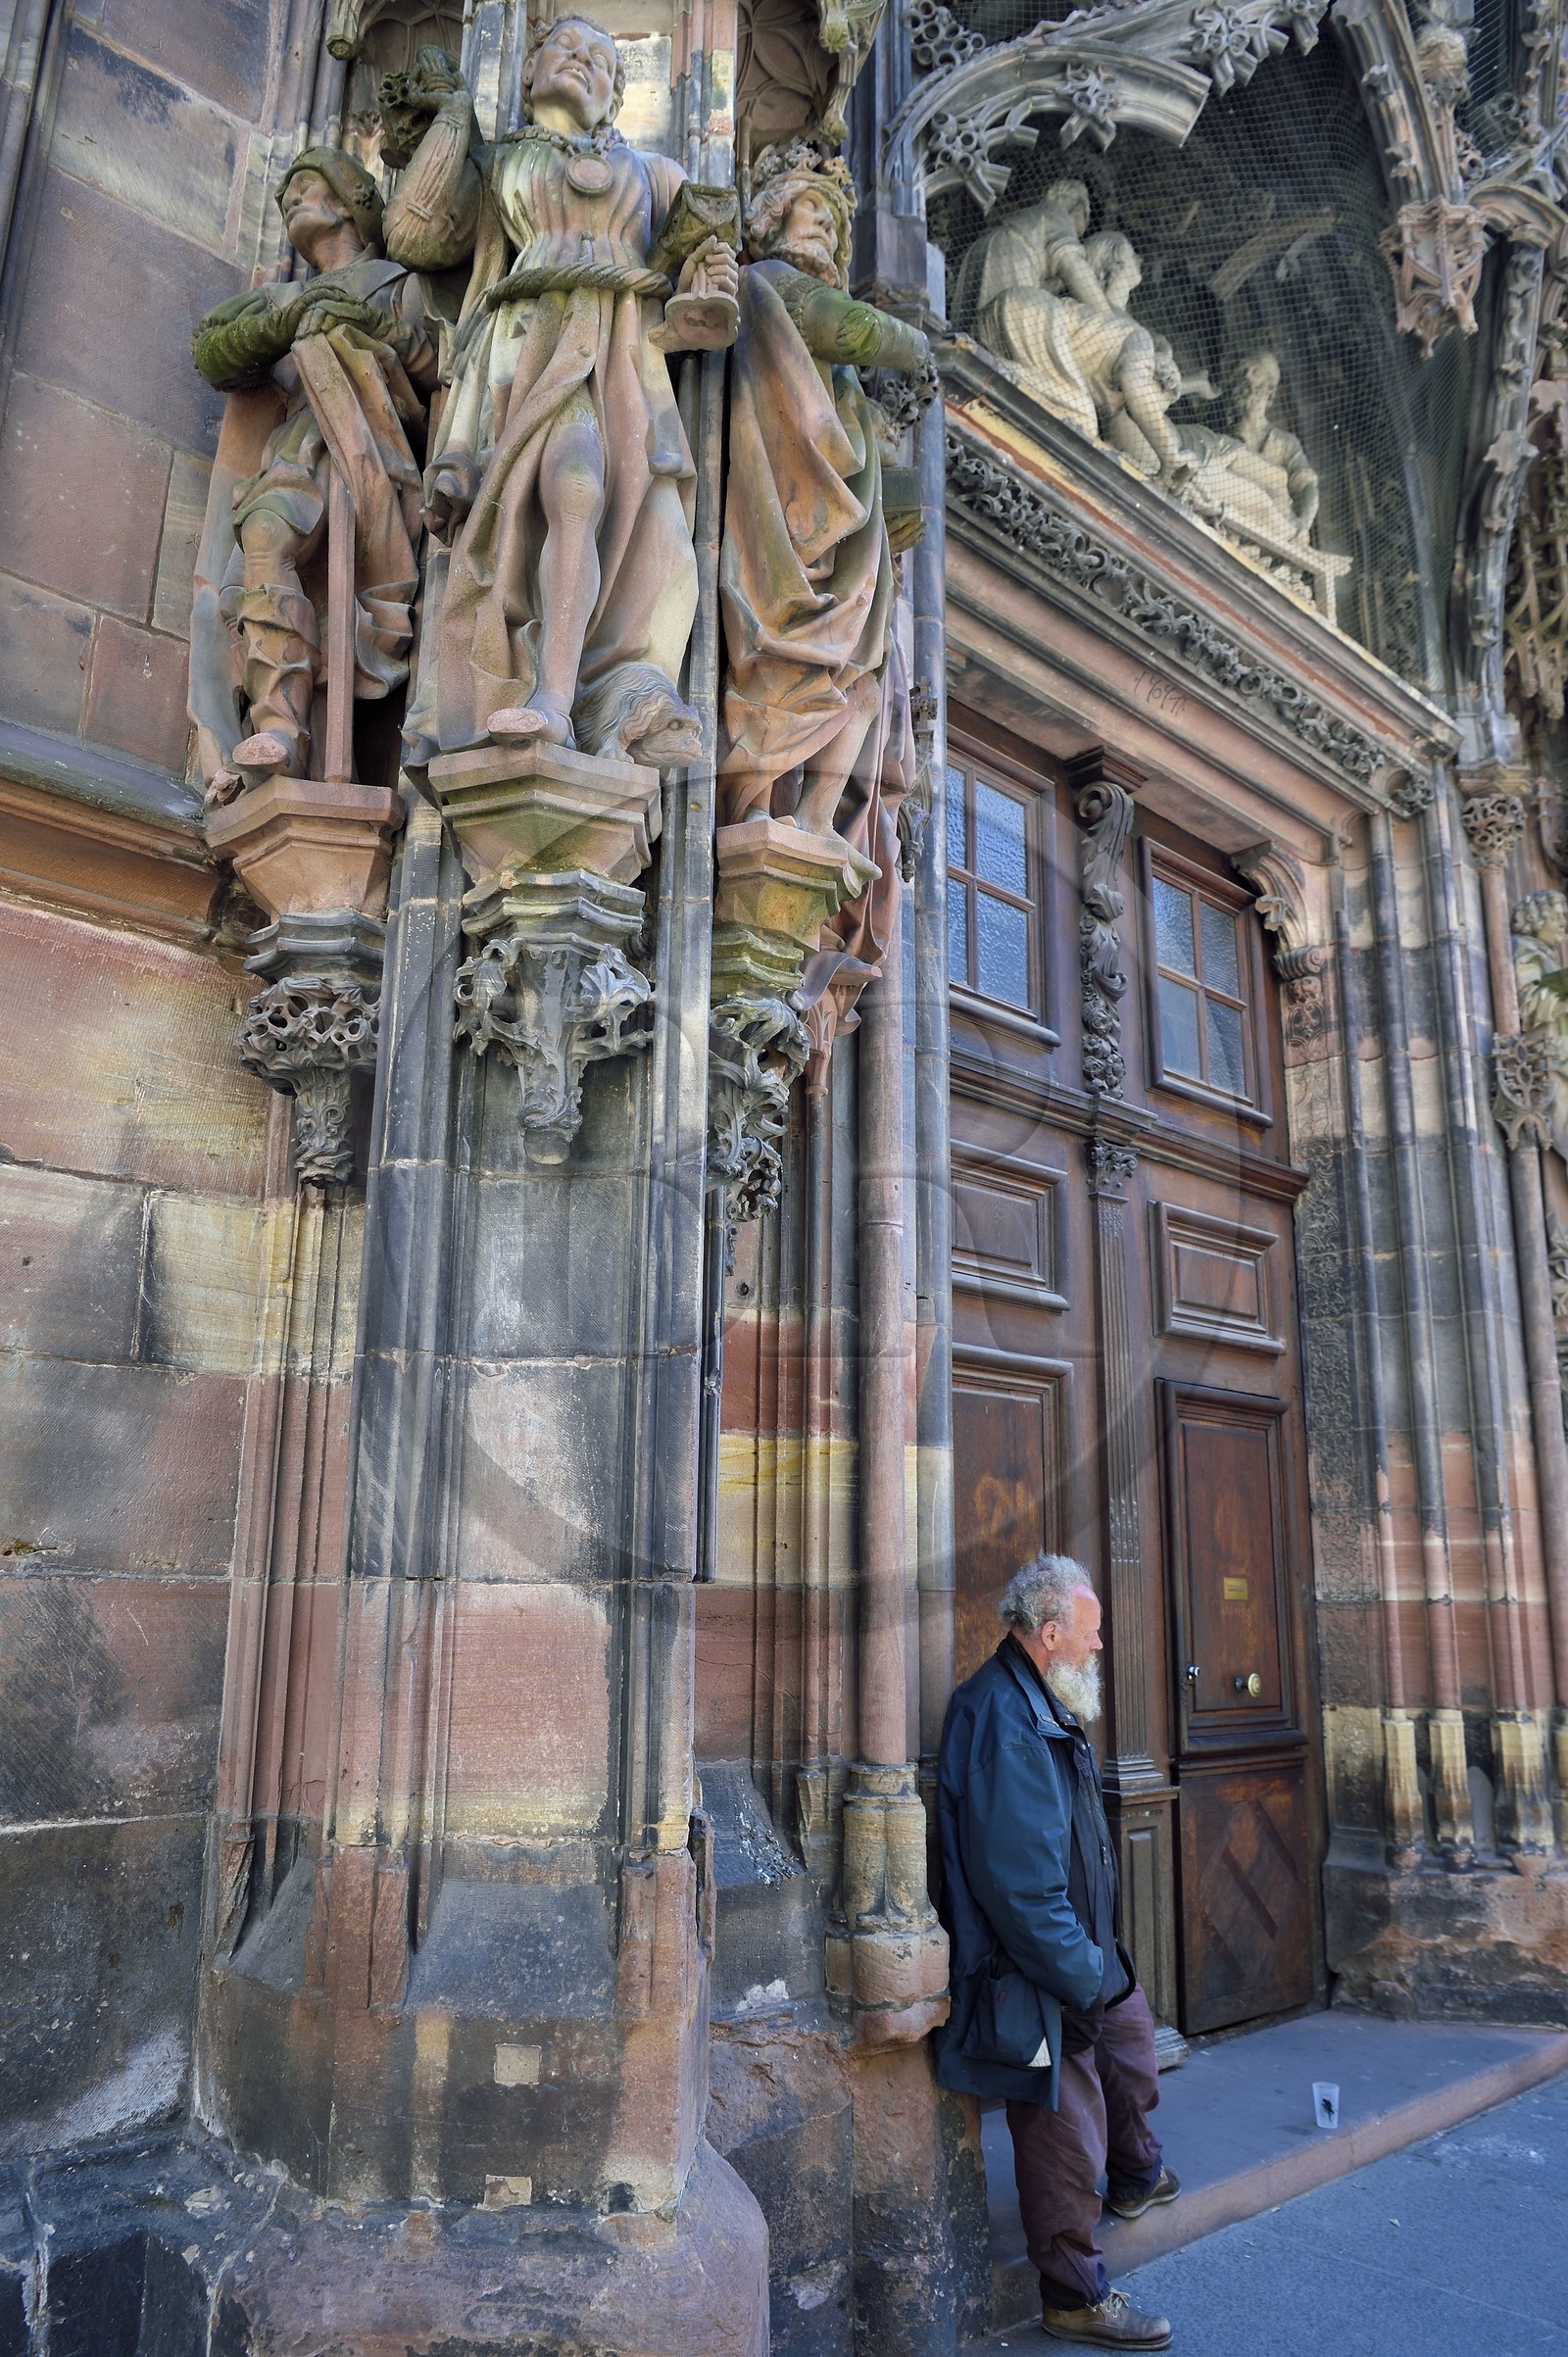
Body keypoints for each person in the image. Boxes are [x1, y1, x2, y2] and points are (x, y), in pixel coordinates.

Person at [381, 22, 739, 769]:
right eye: (566, 47)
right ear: (527, 71)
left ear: (615, 97)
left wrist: (707, 291)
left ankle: (561, 697)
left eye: (605, 61)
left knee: (582, 486)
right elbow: (414, 236)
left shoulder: (658, 173)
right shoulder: (500, 161)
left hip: (619, 360)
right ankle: (530, 690)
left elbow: (702, 279)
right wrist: (452, 117)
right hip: (522, 351)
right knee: (550, 498)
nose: (585, 60)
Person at [934, 1553, 1179, 2351]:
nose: (1100, 1645)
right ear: (1050, 1633)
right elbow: (1019, 1887)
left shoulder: (1042, 1697)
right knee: (1062, 2135)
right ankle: (1074, 2292)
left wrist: (1098, 1964)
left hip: (1083, 1953)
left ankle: (1138, 2175)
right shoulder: (1002, 1715)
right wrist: (1078, 1974)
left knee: (1134, 2054)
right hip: (1039, 1970)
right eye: (1092, 1631)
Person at [190, 146, 438, 801]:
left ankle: (337, 748)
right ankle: (278, 729)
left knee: (353, 609)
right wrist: (294, 318)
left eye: (307, 185)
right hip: (299, 452)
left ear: (351, 200)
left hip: (375, 460)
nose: (293, 198)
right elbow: (213, 350)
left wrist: (365, 322)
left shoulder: (395, 283)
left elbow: (439, 363)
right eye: (286, 194)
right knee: (266, 539)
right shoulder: (280, 300)